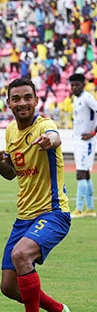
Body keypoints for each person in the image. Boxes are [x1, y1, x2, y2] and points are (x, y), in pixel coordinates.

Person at [0, 78, 72, 312]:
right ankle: (57, 310)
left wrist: (50, 140)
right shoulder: (11, 131)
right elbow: (12, 174)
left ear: (36, 100)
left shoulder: (44, 126)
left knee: (21, 254)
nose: (22, 102)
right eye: (16, 98)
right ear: (9, 103)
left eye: (27, 97)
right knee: (8, 286)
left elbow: (55, 136)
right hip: (23, 217)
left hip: (53, 213)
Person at [68, 73, 97, 217]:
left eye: (77, 85)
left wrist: (93, 132)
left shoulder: (87, 97)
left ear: (83, 85)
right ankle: (90, 208)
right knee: (85, 173)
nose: (74, 88)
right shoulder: (77, 98)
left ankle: (78, 209)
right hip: (79, 140)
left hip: (86, 142)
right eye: (72, 85)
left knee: (80, 173)